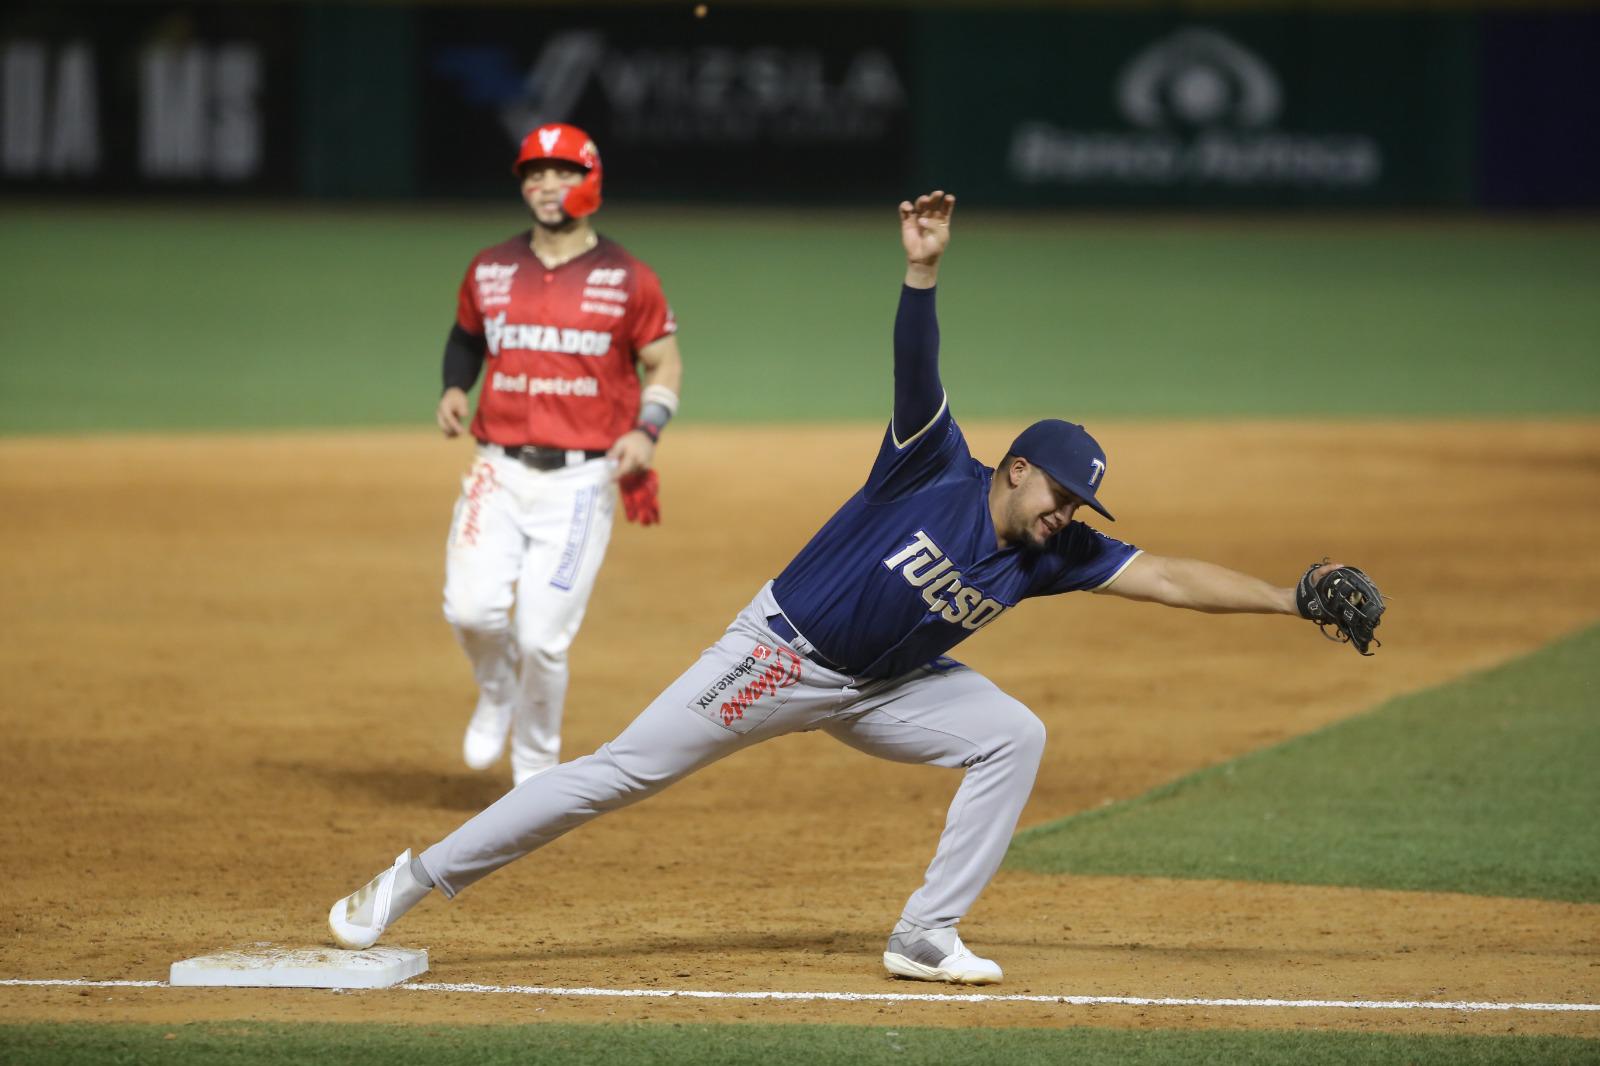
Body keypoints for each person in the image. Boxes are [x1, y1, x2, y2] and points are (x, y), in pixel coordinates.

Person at [332, 191, 1371, 985]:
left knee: (1011, 734)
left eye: (1081, 510)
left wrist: (1290, 597)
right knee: (616, 774)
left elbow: (1169, 574)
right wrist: (920, 273)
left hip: (889, 685)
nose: (1071, 518)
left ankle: (924, 933)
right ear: (1015, 468)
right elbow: (914, 361)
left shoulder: (1052, 555)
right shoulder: (930, 460)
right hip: (776, 654)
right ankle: (410, 880)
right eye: (1063, 496)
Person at [435, 123, 682, 786]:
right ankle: (496, 692)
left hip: (582, 482)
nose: (547, 185)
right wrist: (456, 386)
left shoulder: (628, 277)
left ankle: (537, 767)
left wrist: (646, 431)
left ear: (591, 179)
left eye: (563, 171)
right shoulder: (490, 268)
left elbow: (663, 362)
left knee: (543, 638)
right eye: (534, 173)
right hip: (498, 468)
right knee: (470, 610)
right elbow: (465, 338)